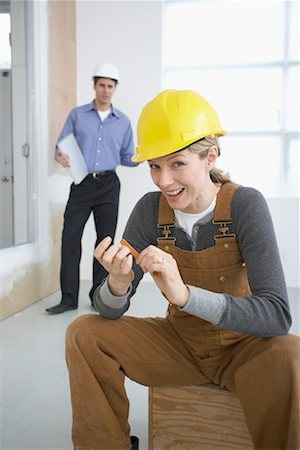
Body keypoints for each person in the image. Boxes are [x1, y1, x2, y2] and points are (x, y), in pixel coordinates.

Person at [65, 89, 300, 449]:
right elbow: (109, 312)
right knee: (85, 333)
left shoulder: (245, 205)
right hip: (180, 345)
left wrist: (186, 296)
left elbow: (277, 315)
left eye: (177, 164)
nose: (163, 181)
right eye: (155, 166)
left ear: (210, 157)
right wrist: (117, 284)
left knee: (290, 353)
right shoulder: (149, 210)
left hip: (243, 348)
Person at [46, 62, 137, 315]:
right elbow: (60, 147)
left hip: (109, 185)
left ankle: (98, 295)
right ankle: (68, 299)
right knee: (70, 238)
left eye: (110, 86)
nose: (106, 90)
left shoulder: (123, 122)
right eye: (102, 85)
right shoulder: (77, 115)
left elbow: (127, 156)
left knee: (105, 242)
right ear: (94, 86)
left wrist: (145, 157)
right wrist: (62, 157)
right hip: (82, 183)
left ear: (114, 89)